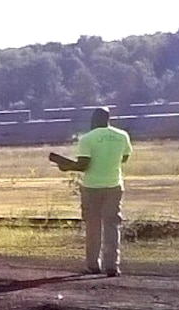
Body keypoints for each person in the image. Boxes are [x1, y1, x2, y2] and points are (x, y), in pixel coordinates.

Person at [47, 106, 132, 276]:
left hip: (92, 187)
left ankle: (93, 264)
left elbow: (83, 165)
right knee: (112, 226)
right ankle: (112, 266)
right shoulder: (122, 136)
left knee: (93, 226)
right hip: (114, 185)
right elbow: (125, 158)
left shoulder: (87, 139)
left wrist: (65, 166)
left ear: (94, 120)